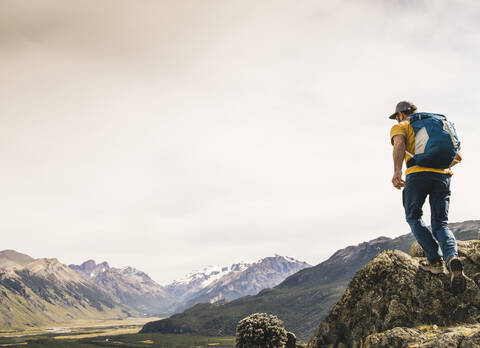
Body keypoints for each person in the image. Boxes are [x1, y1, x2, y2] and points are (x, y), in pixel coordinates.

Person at [389, 101, 467, 294]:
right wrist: (437, 168)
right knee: (441, 223)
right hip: (442, 176)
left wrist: (398, 171)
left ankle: (435, 260)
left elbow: (399, 144)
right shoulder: (436, 125)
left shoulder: (402, 126)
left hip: (417, 175)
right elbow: (458, 157)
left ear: (400, 115)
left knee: (413, 216)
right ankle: (451, 258)